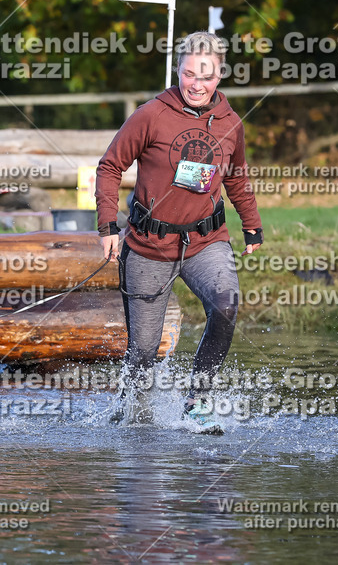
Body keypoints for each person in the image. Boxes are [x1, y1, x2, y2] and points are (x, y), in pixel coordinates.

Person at [95, 31, 262, 432]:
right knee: (144, 351)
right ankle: (130, 413)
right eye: (189, 74)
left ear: (220, 75)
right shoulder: (151, 114)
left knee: (225, 305)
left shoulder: (230, 121)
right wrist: (107, 225)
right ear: (178, 70)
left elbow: (236, 177)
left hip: (206, 240)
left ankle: (197, 400)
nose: (196, 84)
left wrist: (252, 226)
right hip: (150, 245)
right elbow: (109, 167)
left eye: (205, 76)